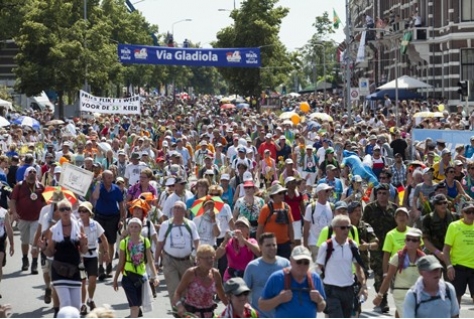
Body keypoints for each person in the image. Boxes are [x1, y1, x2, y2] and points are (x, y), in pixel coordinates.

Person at [39, 199, 88, 311]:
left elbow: (83, 251)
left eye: (68, 209)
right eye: (62, 209)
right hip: (59, 270)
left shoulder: (78, 227)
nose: (65, 211)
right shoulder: (54, 230)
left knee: (76, 306)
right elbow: (50, 252)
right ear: (58, 212)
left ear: (71, 211)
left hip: (74, 271)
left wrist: (84, 243)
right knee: (65, 304)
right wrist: (43, 248)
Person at [316, 215, 368, 318]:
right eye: (343, 227)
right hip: (331, 291)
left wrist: (364, 286)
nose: (346, 230)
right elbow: (318, 268)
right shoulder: (326, 246)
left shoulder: (352, 245)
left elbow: (358, 268)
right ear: (335, 229)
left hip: (348, 290)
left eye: (348, 227)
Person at [259, 245, 326, 318]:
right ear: (291, 261)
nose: (302, 265)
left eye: (306, 262)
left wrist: (319, 300)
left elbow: (321, 308)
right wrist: (279, 299)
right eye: (299, 262)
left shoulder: (315, 278)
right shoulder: (277, 278)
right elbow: (262, 305)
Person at [113, 218, 159, 318]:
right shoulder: (124, 242)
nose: (134, 229)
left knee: (137, 305)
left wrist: (155, 276)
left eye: (136, 226)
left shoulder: (145, 241)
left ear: (140, 228)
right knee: (134, 306)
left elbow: (150, 260)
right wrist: (115, 279)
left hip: (141, 277)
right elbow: (120, 262)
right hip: (128, 277)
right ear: (128, 228)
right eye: (131, 226)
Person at [155, 201, 200, 304]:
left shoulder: (190, 224)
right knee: (174, 287)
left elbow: (197, 241)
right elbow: (159, 243)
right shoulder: (166, 225)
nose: (176, 210)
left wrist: (198, 255)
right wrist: (156, 262)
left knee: (186, 289)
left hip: (186, 261)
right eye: (175, 208)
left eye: (179, 208)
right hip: (170, 261)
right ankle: (178, 312)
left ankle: (185, 312)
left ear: (184, 211)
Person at [373, 228, 425, 317]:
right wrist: (380, 295)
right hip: (401, 294)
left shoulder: (423, 259)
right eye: (408, 239)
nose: (411, 242)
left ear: (419, 243)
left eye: (414, 240)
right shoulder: (398, 257)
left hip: (418, 294)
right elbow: (388, 278)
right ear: (405, 241)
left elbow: (428, 278)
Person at [362, 182, 397, 313]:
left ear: (388, 194)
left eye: (384, 193)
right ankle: (383, 300)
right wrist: (366, 244)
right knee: (378, 273)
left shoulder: (394, 208)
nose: (381, 196)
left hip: (391, 247)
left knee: (390, 272)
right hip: (376, 247)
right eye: (379, 193)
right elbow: (364, 226)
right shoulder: (370, 208)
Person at [173, 245, 227, 318]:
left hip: (209, 314)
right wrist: (179, 306)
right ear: (198, 260)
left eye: (211, 257)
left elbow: (222, 296)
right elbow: (177, 293)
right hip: (191, 315)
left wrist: (234, 308)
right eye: (206, 258)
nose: (210, 260)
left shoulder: (215, 274)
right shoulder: (191, 273)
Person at [243, 232, 290, 318]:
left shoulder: (285, 264)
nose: (272, 248)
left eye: (274, 245)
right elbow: (244, 293)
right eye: (268, 245)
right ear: (260, 247)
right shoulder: (252, 266)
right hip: (260, 315)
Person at [91, 170, 126, 281]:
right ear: (103, 178)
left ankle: (109, 264)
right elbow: (95, 197)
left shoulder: (116, 189)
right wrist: (97, 183)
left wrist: (121, 219)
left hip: (113, 218)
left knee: (111, 243)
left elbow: (121, 205)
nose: (110, 179)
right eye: (108, 177)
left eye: (112, 177)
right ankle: (100, 267)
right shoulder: (99, 187)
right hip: (100, 217)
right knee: (101, 242)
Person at [10, 166, 45, 274]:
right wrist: (14, 213)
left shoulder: (41, 187)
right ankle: (25, 259)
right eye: (30, 172)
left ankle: (34, 263)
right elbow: (12, 201)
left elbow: (45, 201)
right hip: (23, 219)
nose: (32, 174)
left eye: (34, 172)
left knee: (35, 241)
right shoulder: (19, 186)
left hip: (36, 219)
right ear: (26, 174)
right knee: (24, 241)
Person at [77, 201, 110, 316]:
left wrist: (106, 252)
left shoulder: (95, 224)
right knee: (83, 281)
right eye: (80, 210)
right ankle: (82, 304)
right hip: (80, 256)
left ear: (90, 213)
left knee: (92, 281)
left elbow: (103, 238)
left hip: (92, 255)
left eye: (84, 211)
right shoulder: (76, 224)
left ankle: (90, 299)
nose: (81, 213)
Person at [443, 201, 474, 305]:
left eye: (473, 212)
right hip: (458, 268)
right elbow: (446, 250)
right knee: (455, 303)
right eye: (468, 212)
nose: (471, 215)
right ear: (462, 213)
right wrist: (449, 266)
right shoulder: (454, 226)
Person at [256, 183, 294, 259]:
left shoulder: (287, 207)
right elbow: (260, 229)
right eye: (280, 193)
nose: (282, 195)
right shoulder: (265, 209)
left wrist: (292, 242)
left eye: (283, 193)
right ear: (273, 195)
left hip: (284, 245)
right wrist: (260, 245)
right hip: (269, 244)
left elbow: (290, 226)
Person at [216, 216, 260, 282]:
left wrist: (244, 240)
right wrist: (225, 241)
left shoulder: (251, 241)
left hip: (246, 276)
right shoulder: (229, 242)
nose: (239, 228)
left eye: (242, 226)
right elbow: (216, 256)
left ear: (248, 231)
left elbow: (259, 253)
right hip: (231, 277)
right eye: (237, 226)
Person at [303, 183, 334, 261]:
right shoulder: (311, 207)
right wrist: (305, 244)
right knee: (319, 268)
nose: (328, 193)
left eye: (329, 191)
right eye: (326, 191)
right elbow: (306, 227)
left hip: (328, 242)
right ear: (319, 192)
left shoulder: (331, 206)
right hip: (315, 242)